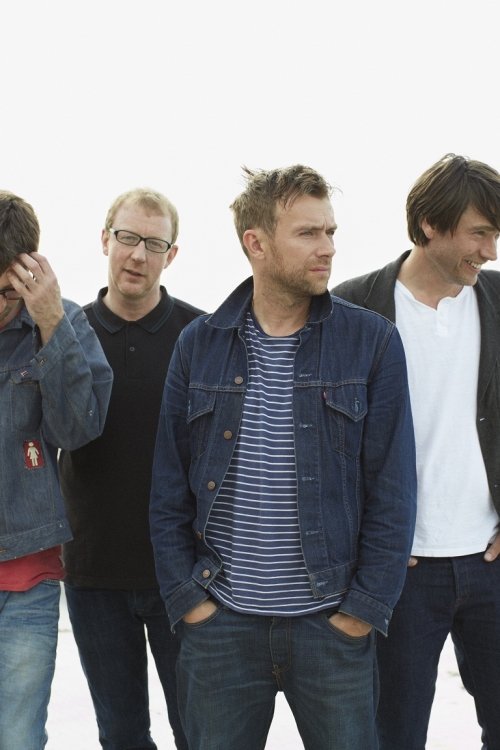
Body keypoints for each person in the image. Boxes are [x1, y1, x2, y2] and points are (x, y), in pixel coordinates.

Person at [149, 165, 417, 750]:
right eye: (308, 233)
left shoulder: (372, 342)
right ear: (257, 243)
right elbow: (168, 488)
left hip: (332, 627)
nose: (328, 248)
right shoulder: (198, 345)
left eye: (330, 231)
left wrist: (361, 611)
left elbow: (394, 490)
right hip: (220, 626)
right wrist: (189, 603)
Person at [332, 153, 500, 750]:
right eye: (480, 233)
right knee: (394, 736)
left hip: (491, 562)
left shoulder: (498, 301)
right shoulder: (352, 307)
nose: (490, 251)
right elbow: (324, 444)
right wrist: (363, 538)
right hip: (399, 572)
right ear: (430, 224)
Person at [58, 188, 203, 750]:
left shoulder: (200, 335)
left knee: (198, 732)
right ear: (105, 240)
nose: (138, 254)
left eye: (154, 243)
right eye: (127, 238)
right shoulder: (69, 334)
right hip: (92, 573)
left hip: (181, 576)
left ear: (172, 254)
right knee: (120, 735)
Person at [0, 191, 113, 750]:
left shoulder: (62, 321)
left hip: (29, 576)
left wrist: (49, 324)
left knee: (19, 738)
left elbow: (77, 429)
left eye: (7, 292)